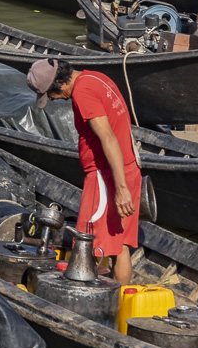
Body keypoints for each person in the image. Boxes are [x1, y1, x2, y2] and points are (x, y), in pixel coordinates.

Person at [25, 59, 140, 285]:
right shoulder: (96, 77)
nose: (56, 100)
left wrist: (120, 189)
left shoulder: (82, 93)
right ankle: (118, 308)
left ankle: (88, 305)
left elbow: (108, 138)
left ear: (59, 82)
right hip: (128, 167)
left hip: (106, 176)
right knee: (120, 246)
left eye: (52, 95)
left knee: (87, 246)